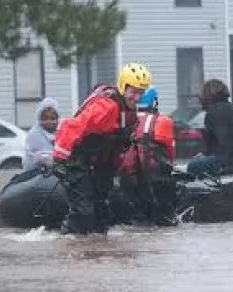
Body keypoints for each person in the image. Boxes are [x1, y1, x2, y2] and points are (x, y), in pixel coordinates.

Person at [53, 62, 152, 235]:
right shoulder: (107, 107)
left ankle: (99, 252)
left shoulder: (129, 112)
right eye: (133, 92)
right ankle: (67, 245)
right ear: (123, 87)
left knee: (102, 212)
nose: (137, 97)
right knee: (83, 212)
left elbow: (120, 145)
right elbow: (71, 126)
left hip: (101, 165)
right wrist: (59, 159)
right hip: (78, 160)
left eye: (141, 92)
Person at [120, 86, 175, 176]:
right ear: (154, 101)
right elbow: (170, 152)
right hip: (151, 176)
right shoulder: (162, 121)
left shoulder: (123, 118)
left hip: (124, 174)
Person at [23, 98, 60, 171]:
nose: (49, 121)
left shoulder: (61, 132)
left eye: (52, 118)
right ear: (40, 119)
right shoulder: (34, 135)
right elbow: (37, 158)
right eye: (45, 118)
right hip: (36, 175)